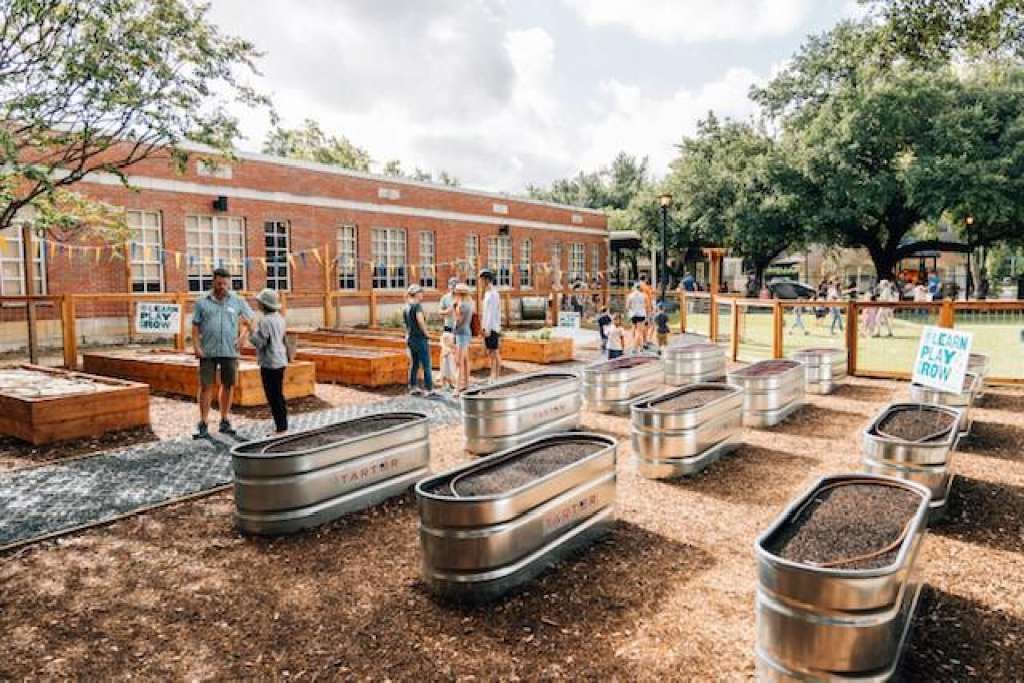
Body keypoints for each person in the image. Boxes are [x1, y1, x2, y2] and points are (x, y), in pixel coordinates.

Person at [192, 268, 254, 439]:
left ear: (229, 283)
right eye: (219, 283)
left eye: (225, 284)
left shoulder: (237, 301)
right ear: (213, 282)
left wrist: (242, 338)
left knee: (228, 385)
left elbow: (251, 319)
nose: (222, 287)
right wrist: (196, 347)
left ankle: (224, 420)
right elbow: (195, 326)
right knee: (205, 386)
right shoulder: (202, 302)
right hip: (208, 351)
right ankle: (203, 423)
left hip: (229, 350)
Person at [248, 288, 289, 434]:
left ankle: (280, 428)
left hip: (269, 362)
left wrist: (251, 330)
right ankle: (282, 425)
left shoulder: (265, 321)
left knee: (273, 396)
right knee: (278, 394)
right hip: (280, 359)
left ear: (263, 304)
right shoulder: (280, 318)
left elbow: (260, 342)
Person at [404, 284, 434, 397]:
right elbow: (420, 322)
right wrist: (427, 334)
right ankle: (429, 388)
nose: (422, 294)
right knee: (426, 364)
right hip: (420, 339)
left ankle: (412, 386)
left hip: (410, 338)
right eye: (421, 292)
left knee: (414, 363)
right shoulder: (417, 306)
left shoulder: (406, 306)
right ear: (416, 294)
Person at [479, 269, 502, 382]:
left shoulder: (493, 294)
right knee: (491, 352)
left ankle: (495, 376)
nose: (480, 282)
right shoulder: (488, 293)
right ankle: (493, 375)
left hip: (492, 327)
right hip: (488, 326)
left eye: (482, 280)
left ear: (487, 280)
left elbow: (491, 313)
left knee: (494, 352)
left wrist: (487, 328)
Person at [453, 283, 474, 392]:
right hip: (467, 332)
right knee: (465, 360)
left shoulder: (461, 305)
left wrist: (455, 311)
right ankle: (466, 384)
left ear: (458, 293)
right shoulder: (470, 303)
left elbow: (458, 321)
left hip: (461, 334)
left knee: (459, 361)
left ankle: (457, 388)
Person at [626, 283, 647, 351]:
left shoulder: (630, 295)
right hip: (641, 314)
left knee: (634, 330)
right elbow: (646, 305)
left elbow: (627, 306)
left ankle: (638, 346)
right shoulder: (643, 295)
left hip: (633, 314)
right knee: (639, 331)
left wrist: (631, 310)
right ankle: (636, 347)